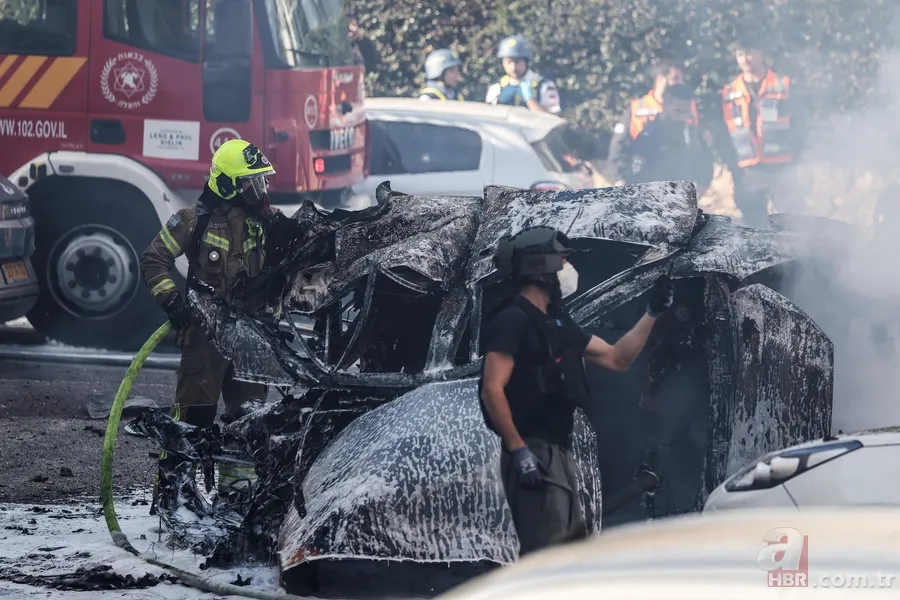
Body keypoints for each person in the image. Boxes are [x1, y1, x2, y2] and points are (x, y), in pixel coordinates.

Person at [478, 226, 674, 557]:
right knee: (548, 558)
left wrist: (652, 313)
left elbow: (616, 358)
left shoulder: (556, 322)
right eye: (563, 260)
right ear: (541, 268)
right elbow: (492, 389)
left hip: (558, 452)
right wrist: (519, 449)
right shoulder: (513, 321)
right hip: (533, 451)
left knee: (568, 556)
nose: (568, 269)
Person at [140, 139, 291, 507]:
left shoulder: (268, 226)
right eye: (252, 183)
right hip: (204, 339)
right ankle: (175, 497)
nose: (261, 190)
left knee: (248, 421)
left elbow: (288, 276)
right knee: (193, 420)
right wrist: (173, 301)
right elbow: (153, 259)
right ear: (227, 184)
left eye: (262, 182)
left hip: (253, 343)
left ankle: (236, 497)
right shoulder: (195, 220)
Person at [718, 34, 803, 228]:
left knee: (792, 223)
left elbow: (800, 124)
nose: (745, 59)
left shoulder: (783, 84)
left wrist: (797, 159)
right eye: (740, 55)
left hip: (783, 166)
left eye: (749, 53)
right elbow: (723, 133)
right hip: (748, 169)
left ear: (761, 54)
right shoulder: (729, 92)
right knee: (754, 227)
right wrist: (734, 167)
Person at [610, 79, 716, 194]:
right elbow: (634, 167)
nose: (683, 117)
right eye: (678, 111)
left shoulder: (692, 132)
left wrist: (702, 186)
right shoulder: (649, 134)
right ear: (665, 105)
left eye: (686, 112)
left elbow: (706, 163)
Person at [485, 35, 561, 114]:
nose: (513, 67)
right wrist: (499, 102)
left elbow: (554, 119)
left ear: (526, 62)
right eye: (509, 62)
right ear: (503, 63)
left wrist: (530, 100)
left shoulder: (544, 86)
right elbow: (488, 118)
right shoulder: (497, 88)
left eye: (517, 61)